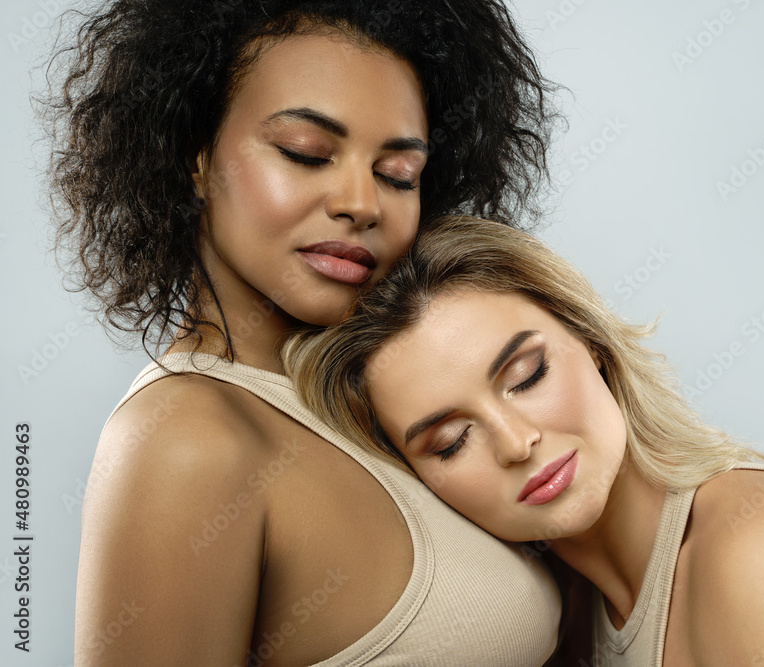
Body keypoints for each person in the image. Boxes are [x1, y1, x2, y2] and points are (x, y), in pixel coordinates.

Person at [41, 1, 568, 664]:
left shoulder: (393, 401)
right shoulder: (189, 438)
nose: (361, 202)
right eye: (307, 153)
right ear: (194, 155)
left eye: (396, 173)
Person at [284, 215, 764, 666]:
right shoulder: (568, 627)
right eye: (451, 440)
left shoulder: (761, 546)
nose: (517, 441)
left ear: (592, 343)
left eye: (527, 374)